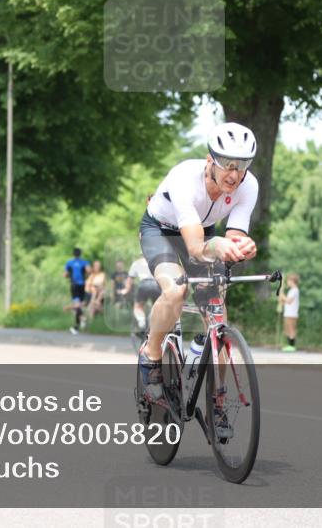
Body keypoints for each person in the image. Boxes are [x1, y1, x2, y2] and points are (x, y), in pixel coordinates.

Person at [138, 121, 259, 434]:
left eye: (243, 165)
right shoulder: (184, 179)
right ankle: (151, 355)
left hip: (203, 232)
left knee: (216, 310)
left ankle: (216, 398)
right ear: (210, 160)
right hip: (162, 231)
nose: (235, 174)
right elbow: (194, 247)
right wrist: (217, 246)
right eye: (228, 165)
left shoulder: (249, 186)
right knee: (176, 290)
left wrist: (241, 246)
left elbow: (233, 236)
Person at [128, 254, 158, 333]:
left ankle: (142, 323)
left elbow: (130, 279)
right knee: (157, 306)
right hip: (156, 285)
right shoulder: (156, 261)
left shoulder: (137, 263)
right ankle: (153, 323)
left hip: (143, 285)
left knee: (138, 306)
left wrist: (126, 290)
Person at [64, 248, 90, 335]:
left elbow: (65, 274)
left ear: (73, 254)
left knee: (77, 305)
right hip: (82, 285)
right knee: (79, 305)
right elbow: (89, 271)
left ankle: (81, 319)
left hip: (74, 285)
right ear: (80, 254)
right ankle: (76, 327)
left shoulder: (69, 263)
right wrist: (85, 276)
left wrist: (69, 275)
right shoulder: (84, 262)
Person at [280, 273, 300, 352]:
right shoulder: (291, 290)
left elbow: (289, 301)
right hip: (288, 313)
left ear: (292, 281)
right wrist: (281, 298)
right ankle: (289, 345)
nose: (287, 283)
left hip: (292, 314)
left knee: (291, 329)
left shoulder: (295, 290)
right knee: (287, 329)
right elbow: (285, 301)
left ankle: (292, 346)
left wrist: (282, 295)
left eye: (288, 281)